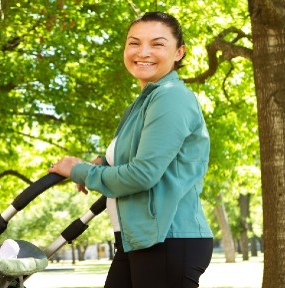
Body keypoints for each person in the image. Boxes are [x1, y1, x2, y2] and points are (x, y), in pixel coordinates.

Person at [48, 11, 213, 288]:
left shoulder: (171, 97)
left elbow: (141, 175)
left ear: (179, 52)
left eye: (157, 44)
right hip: (140, 240)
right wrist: (102, 163)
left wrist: (81, 171)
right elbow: (137, 158)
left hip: (168, 239)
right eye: (134, 43)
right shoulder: (144, 103)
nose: (143, 52)